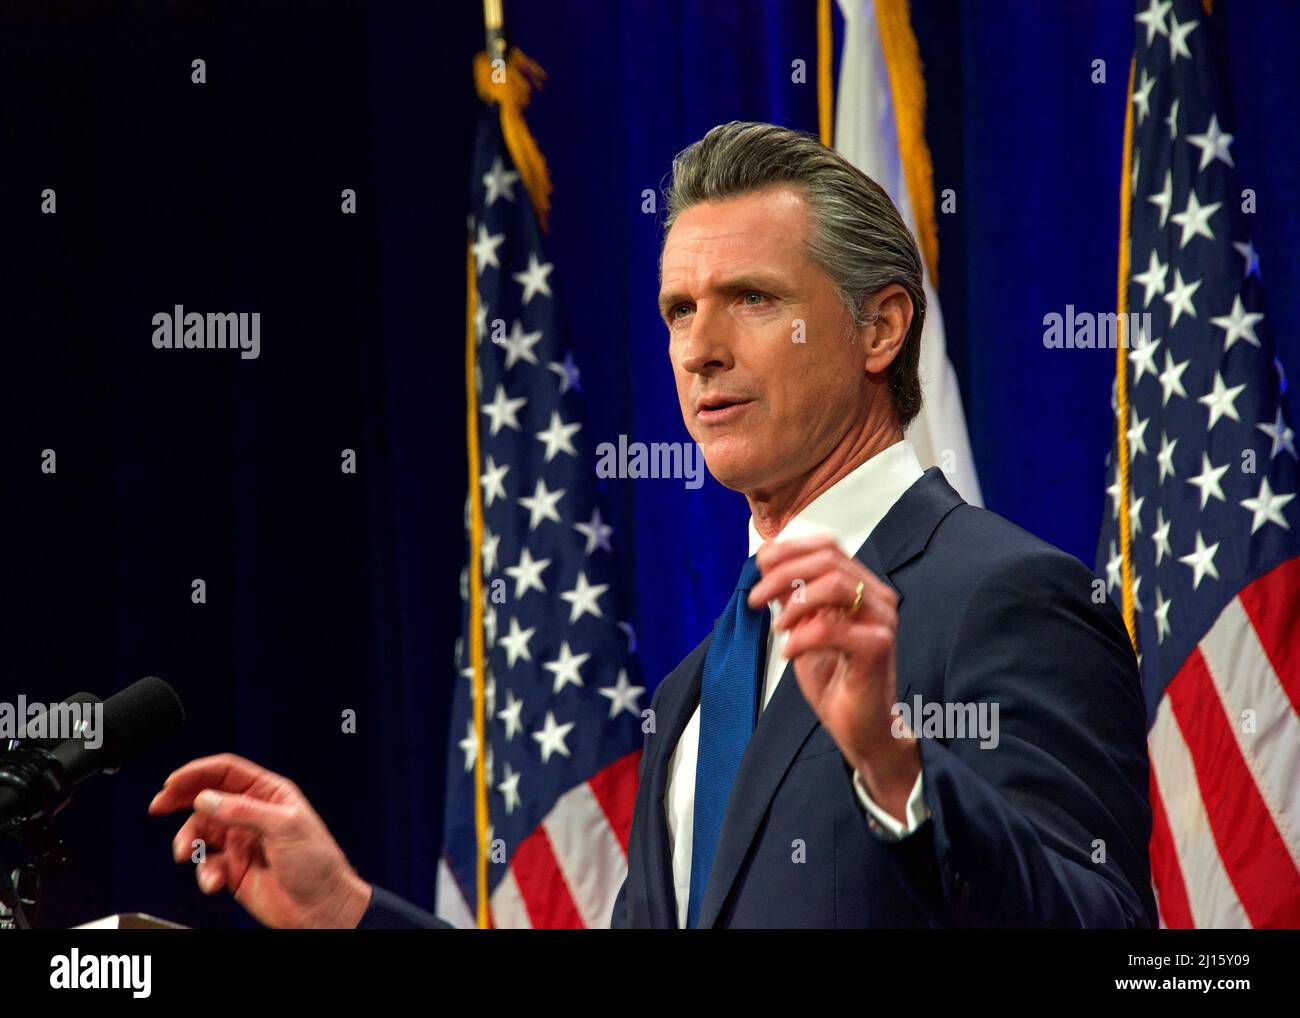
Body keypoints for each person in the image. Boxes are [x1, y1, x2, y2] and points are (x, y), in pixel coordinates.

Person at [149, 121, 1156, 929]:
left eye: (751, 299)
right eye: (678, 309)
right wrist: (349, 913)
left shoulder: (1004, 596)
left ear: (880, 327)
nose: (700, 349)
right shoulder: (697, 687)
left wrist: (898, 771)